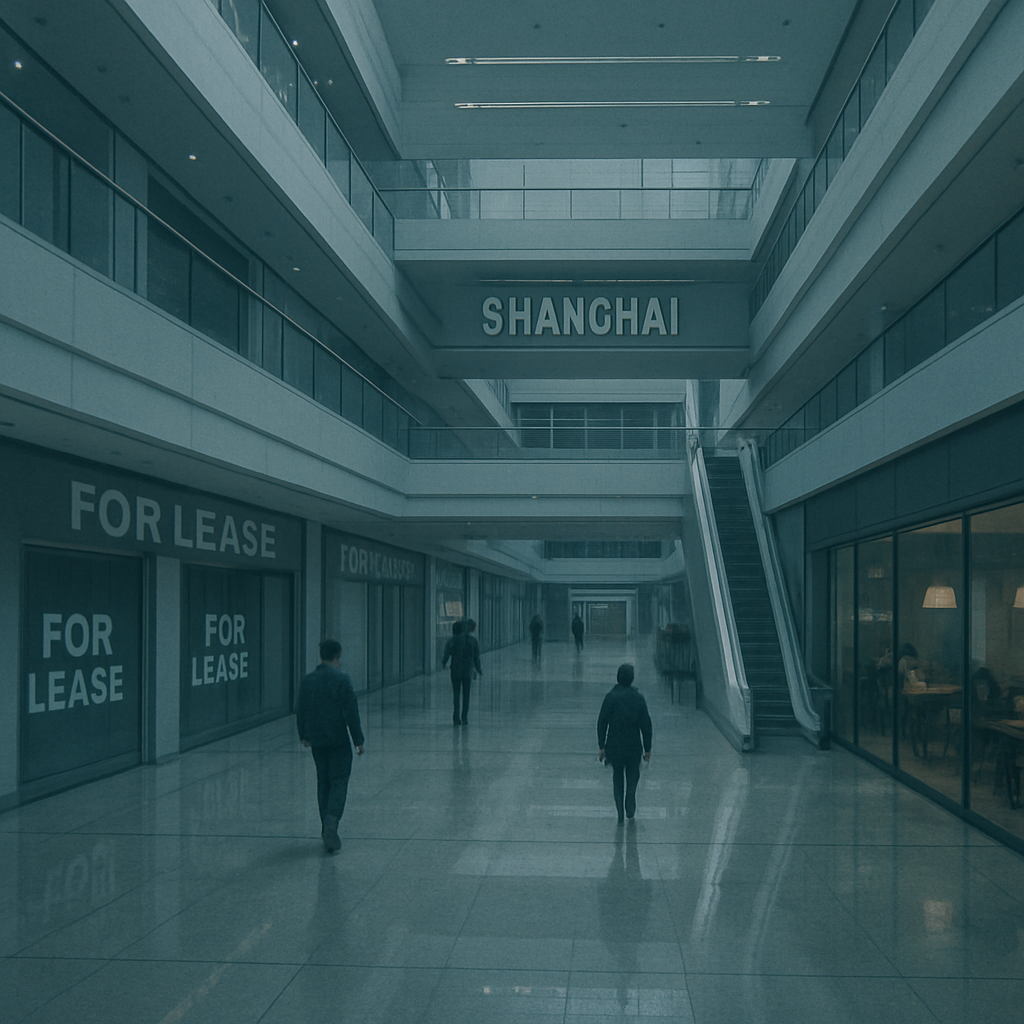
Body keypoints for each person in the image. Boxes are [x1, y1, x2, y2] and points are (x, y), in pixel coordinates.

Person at [296, 639, 364, 853]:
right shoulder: (342, 679)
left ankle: (325, 824)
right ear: (337, 657)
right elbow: (351, 711)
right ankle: (332, 822)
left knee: (323, 781)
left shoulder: (308, 680)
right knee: (339, 781)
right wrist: (358, 740)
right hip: (338, 739)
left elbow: (301, 709)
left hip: (317, 740)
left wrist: (303, 735)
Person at [597, 664, 652, 825]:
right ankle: (630, 798)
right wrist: (648, 748)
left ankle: (620, 811)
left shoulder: (610, 697)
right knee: (633, 775)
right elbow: (646, 725)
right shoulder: (639, 698)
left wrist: (602, 746)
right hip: (634, 746)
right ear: (632, 678)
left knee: (617, 776)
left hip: (614, 746)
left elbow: (602, 722)